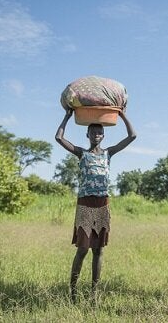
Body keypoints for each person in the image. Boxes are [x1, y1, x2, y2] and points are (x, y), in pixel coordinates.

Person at [55, 107, 136, 304]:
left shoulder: (108, 153)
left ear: (103, 135)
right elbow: (58, 138)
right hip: (85, 203)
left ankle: (94, 293)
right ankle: (72, 292)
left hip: (102, 204)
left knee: (98, 250)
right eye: (93, 132)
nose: (97, 135)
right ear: (88, 134)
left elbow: (132, 135)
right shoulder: (82, 153)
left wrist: (122, 114)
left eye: (99, 132)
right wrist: (67, 116)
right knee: (82, 249)